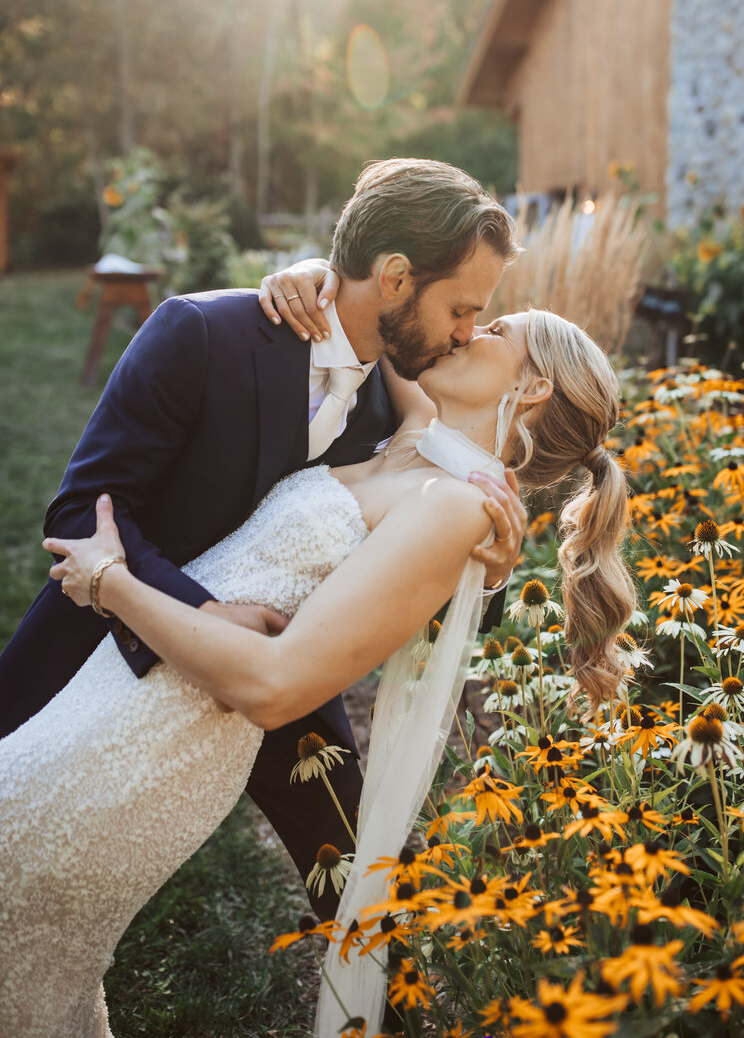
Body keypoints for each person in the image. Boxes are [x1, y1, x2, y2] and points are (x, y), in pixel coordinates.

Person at [0, 307, 636, 1038]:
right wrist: (314, 279)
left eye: (493, 331)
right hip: (114, 693)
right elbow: (395, 302)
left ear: (531, 391)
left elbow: (273, 687)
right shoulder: (419, 441)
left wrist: (109, 580)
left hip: (158, 734)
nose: (466, 329)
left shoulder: (459, 503)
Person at [0, 158, 526, 925]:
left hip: (286, 677)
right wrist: (205, 613)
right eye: (462, 308)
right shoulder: (201, 335)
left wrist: (498, 573)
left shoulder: (404, 404)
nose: (467, 332)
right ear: (395, 277)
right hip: (104, 649)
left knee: (369, 898)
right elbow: (82, 511)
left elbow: (421, 591)